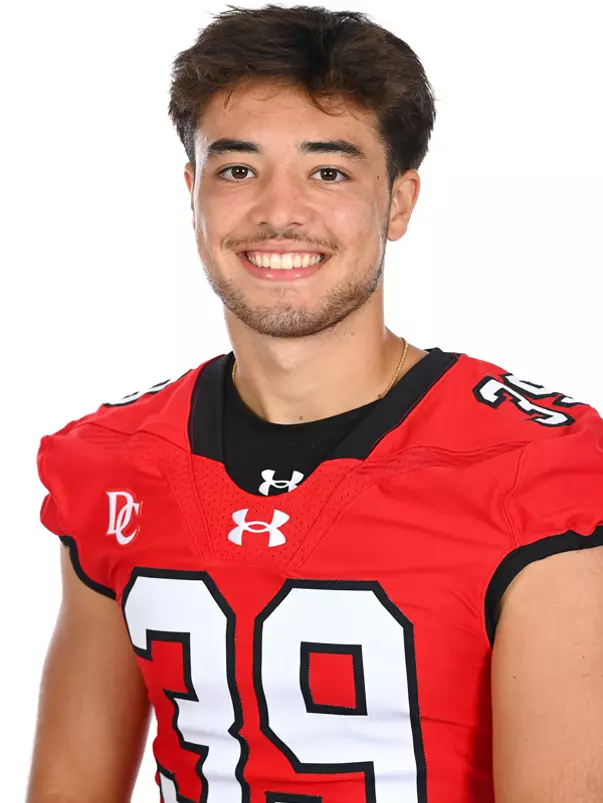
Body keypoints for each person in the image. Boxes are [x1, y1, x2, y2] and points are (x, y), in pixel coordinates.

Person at [27, 5, 603, 803]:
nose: (277, 210)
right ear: (193, 194)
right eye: (238, 170)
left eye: (327, 171)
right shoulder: (111, 460)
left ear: (398, 203)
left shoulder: (531, 465)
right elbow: (67, 788)